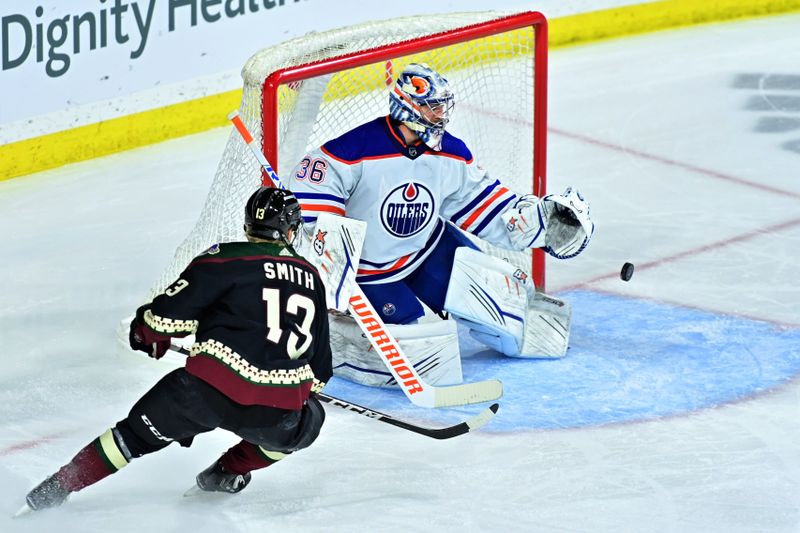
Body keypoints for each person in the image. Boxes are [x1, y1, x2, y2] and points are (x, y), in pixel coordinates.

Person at [21, 187, 332, 512]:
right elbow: (321, 372)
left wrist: (143, 333)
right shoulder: (312, 278)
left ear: (247, 226)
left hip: (205, 392)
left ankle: (55, 488)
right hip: (276, 409)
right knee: (306, 423)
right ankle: (226, 473)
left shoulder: (225, 258)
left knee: (131, 438)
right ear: (291, 231)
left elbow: (160, 321)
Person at [289, 63, 594, 388]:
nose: (440, 114)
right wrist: (333, 253)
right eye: (431, 105)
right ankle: (333, 336)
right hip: (370, 272)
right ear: (406, 105)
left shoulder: (451, 153)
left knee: (518, 316)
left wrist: (540, 224)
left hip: (427, 251)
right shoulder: (352, 150)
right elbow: (310, 194)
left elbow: (484, 203)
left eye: (442, 105)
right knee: (421, 359)